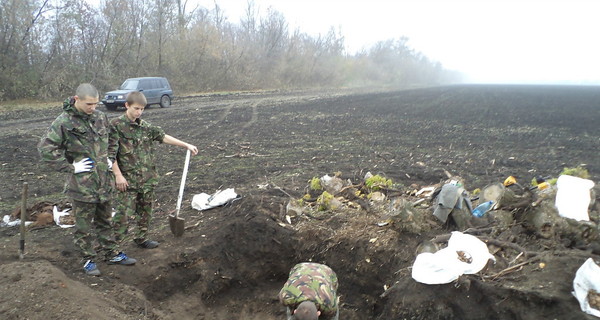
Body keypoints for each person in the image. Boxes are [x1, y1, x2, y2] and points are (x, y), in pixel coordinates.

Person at [38, 83, 137, 276]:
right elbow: (45, 149)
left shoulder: (100, 117)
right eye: (88, 104)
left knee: (105, 221)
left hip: (103, 182)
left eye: (95, 104)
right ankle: (88, 260)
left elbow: (110, 140)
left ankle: (111, 253)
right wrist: (70, 167)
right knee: (83, 226)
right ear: (77, 100)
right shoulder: (64, 122)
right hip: (82, 186)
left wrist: (109, 158)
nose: (92, 108)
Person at [109, 91, 198, 249]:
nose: (139, 112)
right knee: (123, 215)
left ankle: (141, 238)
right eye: (136, 108)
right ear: (127, 105)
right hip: (127, 180)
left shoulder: (145, 127)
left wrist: (186, 145)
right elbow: (110, 154)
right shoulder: (115, 126)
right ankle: (113, 249)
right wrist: (118, 175)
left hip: (147, 178)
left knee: (145, 212)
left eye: (142, 109)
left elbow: (162, 136)